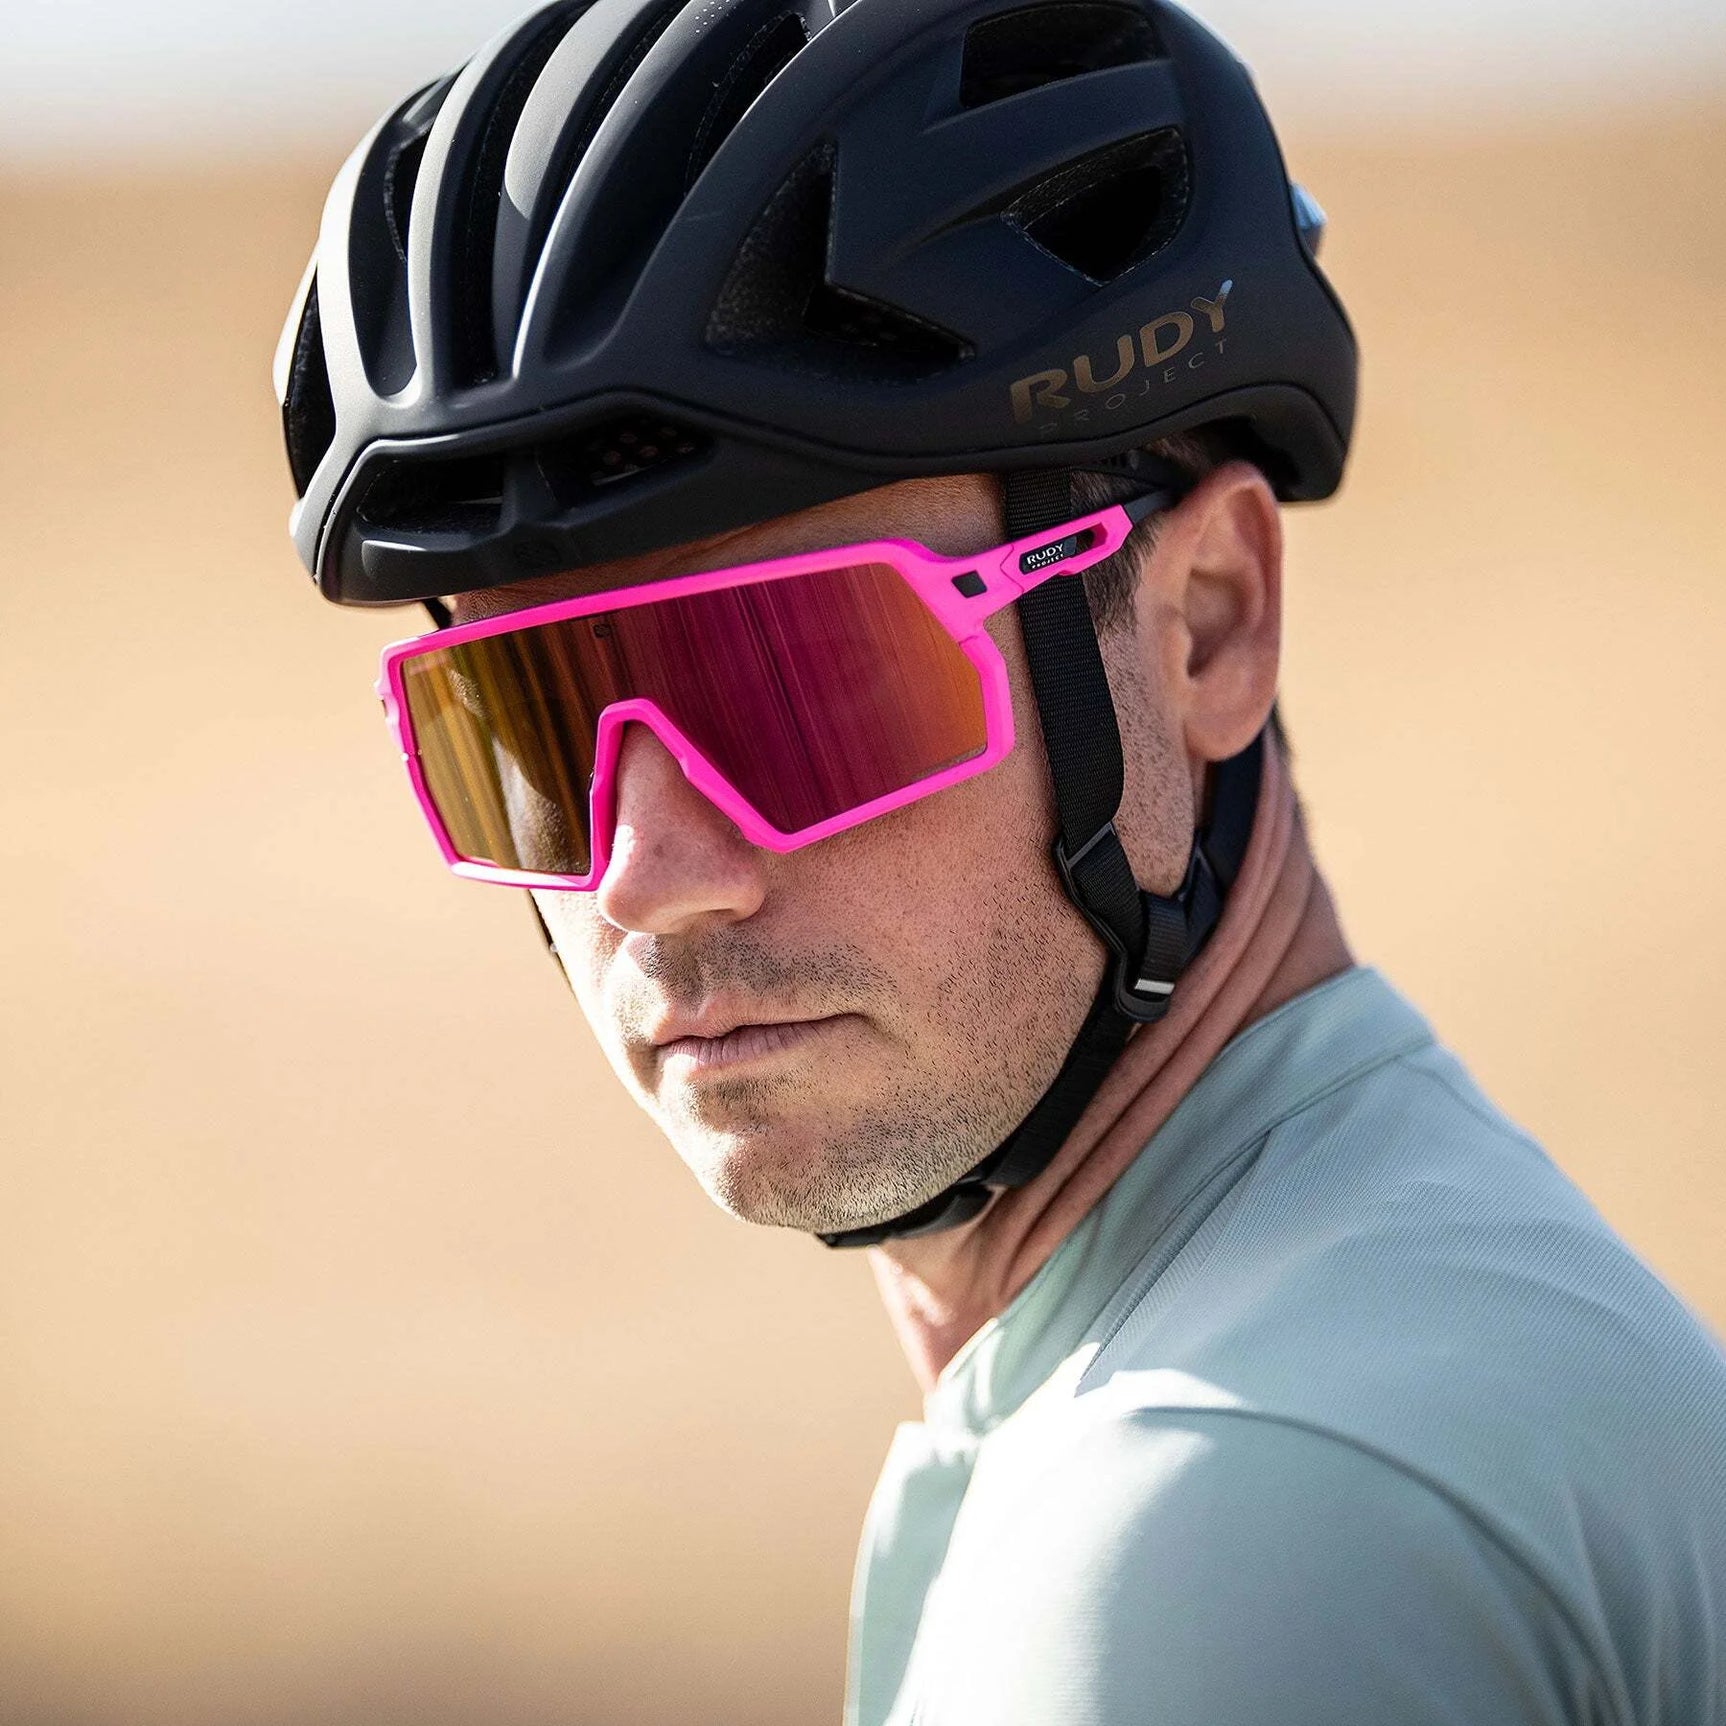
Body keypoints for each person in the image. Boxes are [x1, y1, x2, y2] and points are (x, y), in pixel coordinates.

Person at [275, 0, 1726, 1719]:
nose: (646, 876)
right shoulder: (1379, 1310)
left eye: (800, 681)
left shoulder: (1232, 1504)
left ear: (1205, 625)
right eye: (523, 719)